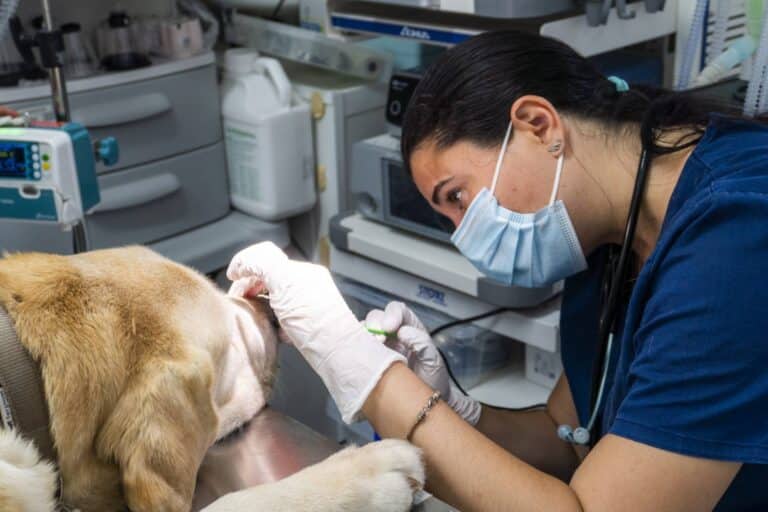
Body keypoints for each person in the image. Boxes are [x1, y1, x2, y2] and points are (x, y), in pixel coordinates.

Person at [227, 30, 768, 511]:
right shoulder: (607, 233)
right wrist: (456, 411)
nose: (466, 236)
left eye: (458, 197)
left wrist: (367, 374)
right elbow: (569, 438)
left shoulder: (738, 238)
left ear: (538, 125)